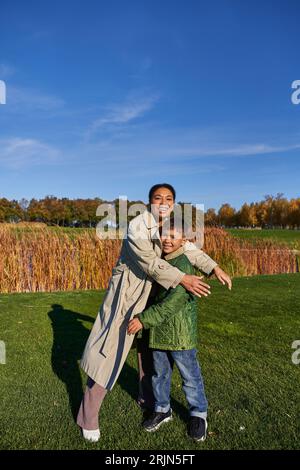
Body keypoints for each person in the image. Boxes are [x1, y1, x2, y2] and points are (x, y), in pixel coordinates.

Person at [76, 183, 231, 442]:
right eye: (157, 197)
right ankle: (88, 416)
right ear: (149, 201)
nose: (163, 202)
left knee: (150, 352)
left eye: (168, 198)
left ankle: (151, 401)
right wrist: (183, 278)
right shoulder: (138, 226)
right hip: (128, 295)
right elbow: (150, 263)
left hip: (155, 295)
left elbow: (189, 249)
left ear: (173, 203)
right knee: (108, 352)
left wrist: (214, 267)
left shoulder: (171, 224)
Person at [127, 220, 210, 442]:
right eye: (164, 234)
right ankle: (162, 409)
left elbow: (173, 303)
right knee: (159, 374)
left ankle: (198, 414)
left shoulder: (183, 265)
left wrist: (142, 320)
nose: (167, 239)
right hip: (158, 333)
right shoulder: (158, 261)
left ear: (184, 240)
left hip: (179, 334)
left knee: (190, 376)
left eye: (173, 236)